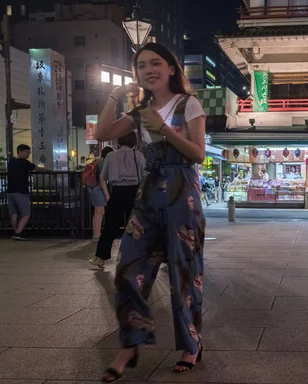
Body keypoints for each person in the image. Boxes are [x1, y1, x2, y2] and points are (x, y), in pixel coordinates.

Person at [94, 42, 207, 382]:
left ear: (172, 68)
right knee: (127, 270)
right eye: (141, 66)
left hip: (182, 193)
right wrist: (115, 95)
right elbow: (101, 133)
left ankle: (191, 344)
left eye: (155, 63)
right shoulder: (139, 112)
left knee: (183, 274)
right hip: (148, 195)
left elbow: (198, 154)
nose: (148, 70)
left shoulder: (189, 104)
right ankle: (131, 342)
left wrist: (163, 129)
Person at [89, 132, 145, 269]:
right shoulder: (138, 155)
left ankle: (101, 258)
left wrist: (108, 195)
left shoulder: (110, 155)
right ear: (134, 142)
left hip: (117, 191)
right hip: (134, 191)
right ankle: (140, 258)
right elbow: (145, 175)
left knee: (110, 226)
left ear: (119, 142)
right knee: (136, 226)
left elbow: (103, 177)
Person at [6, 144, 52, 240]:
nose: (28, 154)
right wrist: (49, 170)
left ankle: (16, 231)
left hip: (10, 191)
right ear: (20, 151)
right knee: (26, 214)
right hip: (21, 191)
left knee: (14, 213)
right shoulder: (24, 163)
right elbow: (38, 169)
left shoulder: (11, 162)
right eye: (26, 152)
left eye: (29, 152)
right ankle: (18, 233)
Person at [88, 146, 114, 240]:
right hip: (97, 189)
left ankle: (97, 233)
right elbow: (102, 179)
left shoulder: (97, 161)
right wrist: (107, 194)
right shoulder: (102, 163)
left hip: (93, 188)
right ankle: (96, 234)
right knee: (99, 211)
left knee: (99, 211)